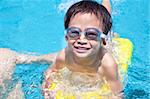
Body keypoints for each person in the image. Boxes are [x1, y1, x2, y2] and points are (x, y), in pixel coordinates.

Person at [42, 0, 123, 98]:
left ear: (102, 40)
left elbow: (118, 94)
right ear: (66, 37)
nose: (82, 39)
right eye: (74, 32)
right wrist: (47, 91)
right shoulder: (64, 56)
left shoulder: (107, 64)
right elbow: (50, 72)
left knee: (108, 23)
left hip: (104, 46)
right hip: (97, 42)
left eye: (91, 34)